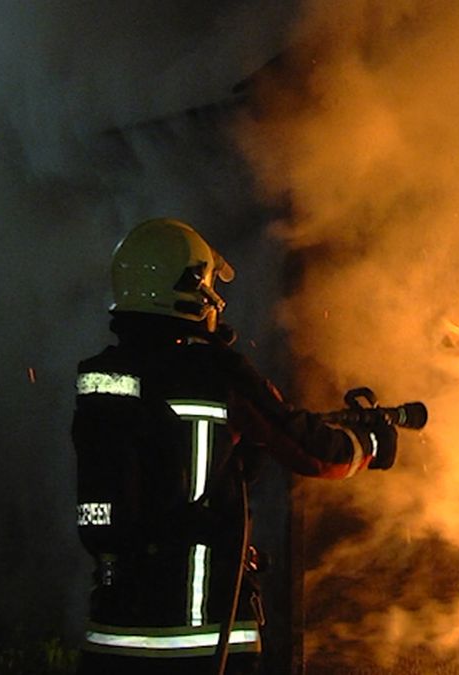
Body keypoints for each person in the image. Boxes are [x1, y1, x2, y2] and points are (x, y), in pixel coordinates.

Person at [71, 218, 396, 674]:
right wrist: (371, 442)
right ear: (189, 287)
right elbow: (309, 449)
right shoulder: (217, 372)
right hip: (202, 640)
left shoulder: (103, 377)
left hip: (114, 637)